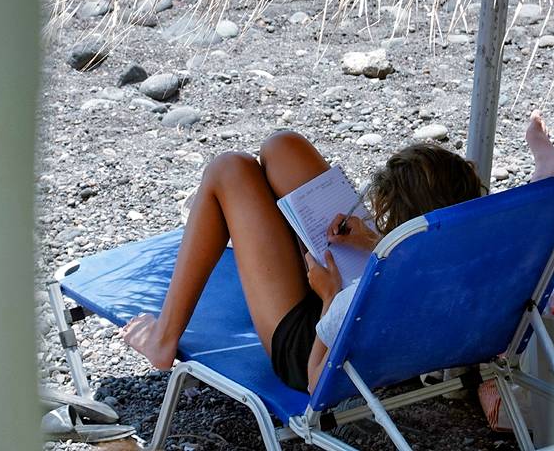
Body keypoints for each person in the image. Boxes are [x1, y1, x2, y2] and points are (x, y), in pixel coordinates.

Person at [122, 110, 554, 393]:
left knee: (229, 168)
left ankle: (162, 340)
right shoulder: (488, 253)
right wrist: (373, 242)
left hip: (320, 339)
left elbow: (318, 381)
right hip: (371, 302)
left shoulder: (345, 306)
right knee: (282, 145)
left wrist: (328, 295)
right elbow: (428, 266)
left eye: (388, 221)